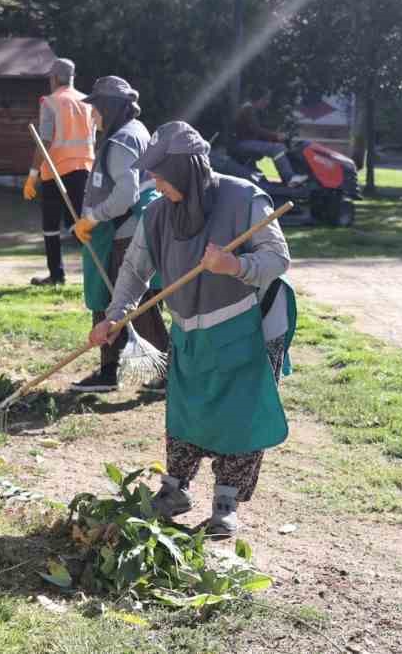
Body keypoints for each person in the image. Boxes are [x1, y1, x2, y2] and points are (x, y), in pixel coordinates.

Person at [90, 122, 295, 537]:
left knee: (238, 418)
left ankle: (225, 504)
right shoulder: (158, 212)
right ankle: (174, 491)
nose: (154, 182)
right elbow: (134, 269)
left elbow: (278, 259)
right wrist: (115, 315)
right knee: (185, 413)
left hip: (244, 327)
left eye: (161, 175)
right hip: (190, 330)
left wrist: (235, 266)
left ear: (185, 171)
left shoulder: (243, 198)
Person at [67, 76, 170, 394]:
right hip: (124, 231)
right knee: (110, 297)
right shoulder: (135, 132)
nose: (92, 115)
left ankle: (167, 373)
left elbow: (126, 194)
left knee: (136, 302)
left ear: (109, 108)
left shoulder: (123, 140)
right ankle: (108, 370)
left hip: (124, 232)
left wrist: (93, 217)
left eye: (95, 108)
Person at [25, 58, 97, 286]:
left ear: (54, 78)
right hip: (84, 169)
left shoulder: (50, 102)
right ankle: (95, 272)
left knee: (51, 226)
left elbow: (44, 141)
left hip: (55, 171)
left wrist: (32, 176)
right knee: (80, 224)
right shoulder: (88, 102)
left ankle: (56, 275)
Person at [233, 90, 293, 180]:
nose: (267, 103)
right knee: (278, 148)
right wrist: (276, 136)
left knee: (268, 151)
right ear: (259, 99)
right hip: (244, 143)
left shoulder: (251, 109)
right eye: (265, 99)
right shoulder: (247, 109)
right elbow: (257, 130)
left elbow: (259, 128)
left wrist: (275, 133)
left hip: (247, 141)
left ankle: (272, 179)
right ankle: (290, 178)